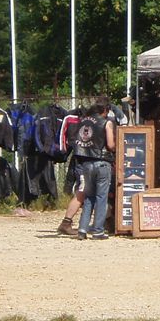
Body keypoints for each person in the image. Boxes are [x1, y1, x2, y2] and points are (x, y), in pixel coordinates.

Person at [58, 98, 115, 240]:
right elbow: (110, 144)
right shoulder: (106, 122)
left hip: (85, 163)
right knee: (101, 197)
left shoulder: (82, 121)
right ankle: (98, 231)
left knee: (88, 197)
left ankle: (82, 230)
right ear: (105, 110)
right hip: (101, 161)